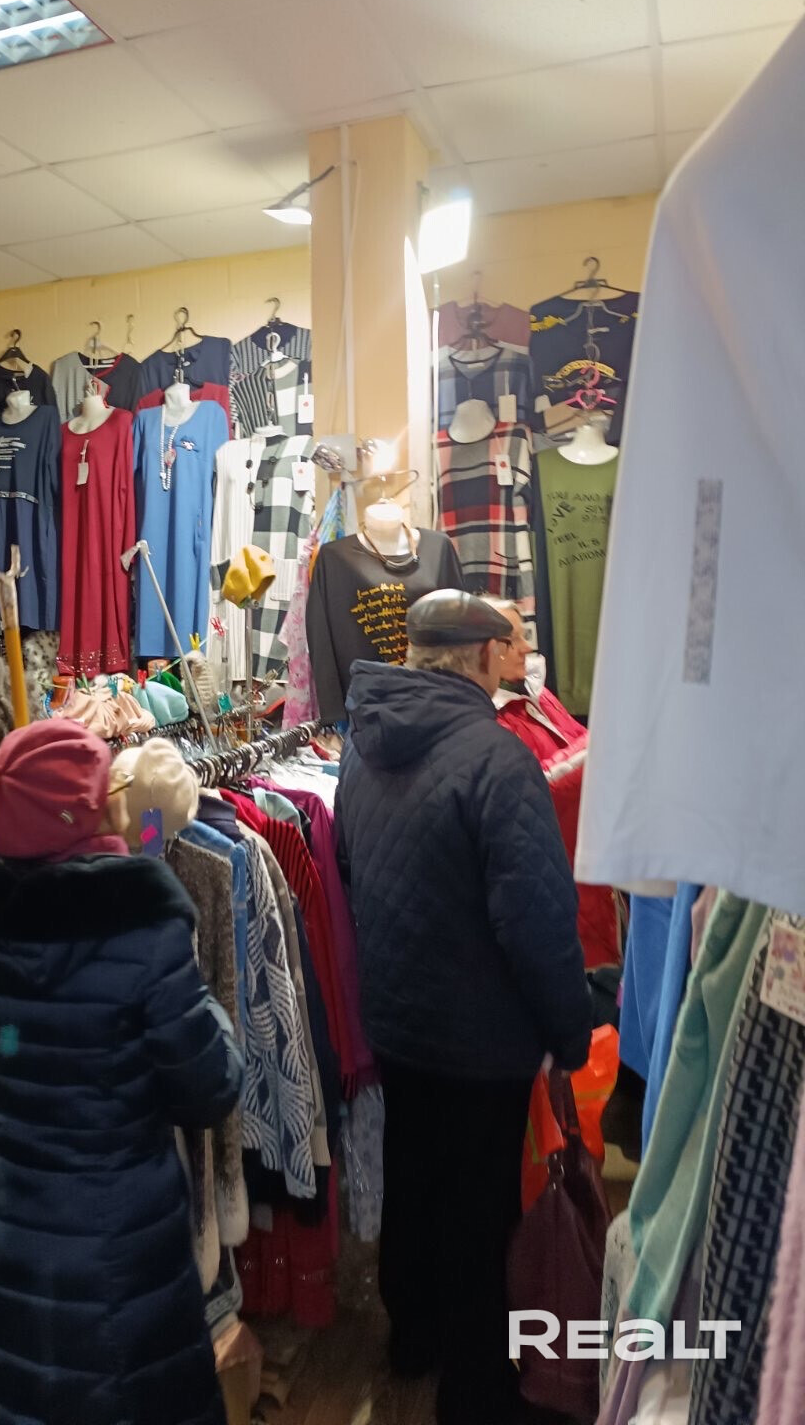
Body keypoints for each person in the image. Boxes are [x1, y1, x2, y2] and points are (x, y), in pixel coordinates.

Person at [0, 720, 243, 1425]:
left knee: (12, 1392)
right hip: (117, 1230)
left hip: (0, 1218)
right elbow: (210, 1084)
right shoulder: (140, 924)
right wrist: (210, 1011)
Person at [336, 590, 592, 1425]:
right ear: (484, 656)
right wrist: (569, 1033)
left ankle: (414, 1337)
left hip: (396, 1015)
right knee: (481, 1211)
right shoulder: (496, 759)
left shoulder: (361, 745)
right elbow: (537, 919)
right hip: (481, 1038)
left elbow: (348, 864)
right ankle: (476, 1393)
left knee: (413, 1177)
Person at [489, 598, 620, 970]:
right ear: (486, 650)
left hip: (588, 858)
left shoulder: (535, 694)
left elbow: (579, 743)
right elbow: (536, 785)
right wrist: (603, 740)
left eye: (523, 636)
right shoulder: (490, 719)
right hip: (557, 872)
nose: (526, 648)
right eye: (513, 640)